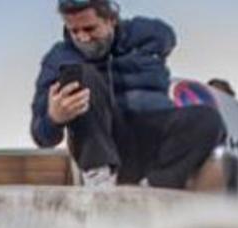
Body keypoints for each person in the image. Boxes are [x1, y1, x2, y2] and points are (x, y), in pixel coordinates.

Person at [30, 0, 225, 189]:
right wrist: (54, 118)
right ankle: (99, 176)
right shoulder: (59, 59)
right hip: (109, 138)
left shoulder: (144, 36)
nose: (82, 38)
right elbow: (41, 136)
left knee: (209, 119)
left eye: (90, 29)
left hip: (154, 134)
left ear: (111, 20)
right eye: (74, 31)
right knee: (82, 74)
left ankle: (154, 187)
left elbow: (166, 37)